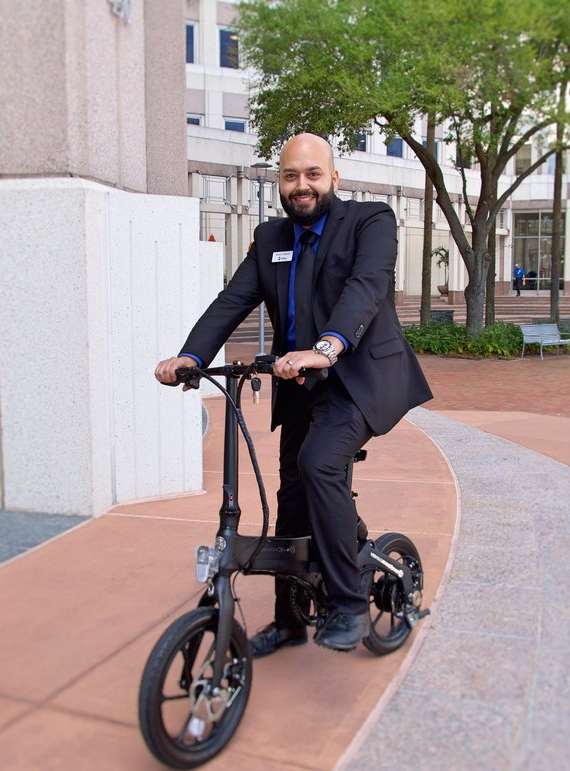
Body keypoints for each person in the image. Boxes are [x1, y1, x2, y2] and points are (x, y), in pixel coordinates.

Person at [154, 133, 432, 656]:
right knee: (290, 497)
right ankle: (287, 620)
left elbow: (366, 287)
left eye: (312, 174)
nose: (301, 185)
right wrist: (190, 357)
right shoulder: (270, 236)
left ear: (333, 177)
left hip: (355, 381)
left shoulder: (370, 221)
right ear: (279, 179)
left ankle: (348, 604)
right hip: (298, 384)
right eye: (290, 175)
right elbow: (231, 301)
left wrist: (327, 346)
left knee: (320, 464)